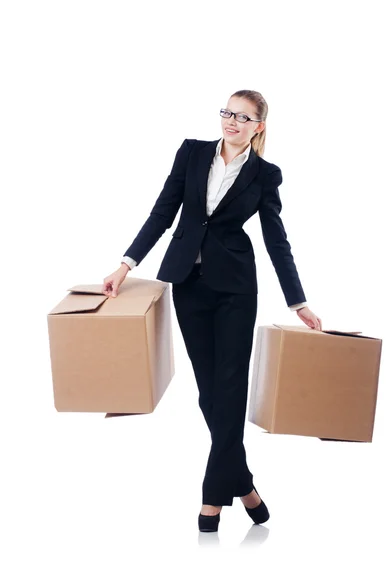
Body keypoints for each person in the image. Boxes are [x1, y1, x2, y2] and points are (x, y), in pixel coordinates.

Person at [102, 89, 322, 532]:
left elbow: (277, 241)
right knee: (208, 390)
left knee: (230, 388)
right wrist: (125, 265)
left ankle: (212, 497)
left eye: (243, 117)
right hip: (189, 284)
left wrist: (297, 300)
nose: (231, 122)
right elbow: (163, 211)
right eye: (227, 113)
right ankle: (244, 486)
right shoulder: (192, 153)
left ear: (259, 126)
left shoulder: (264, 175)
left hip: (236, 290)